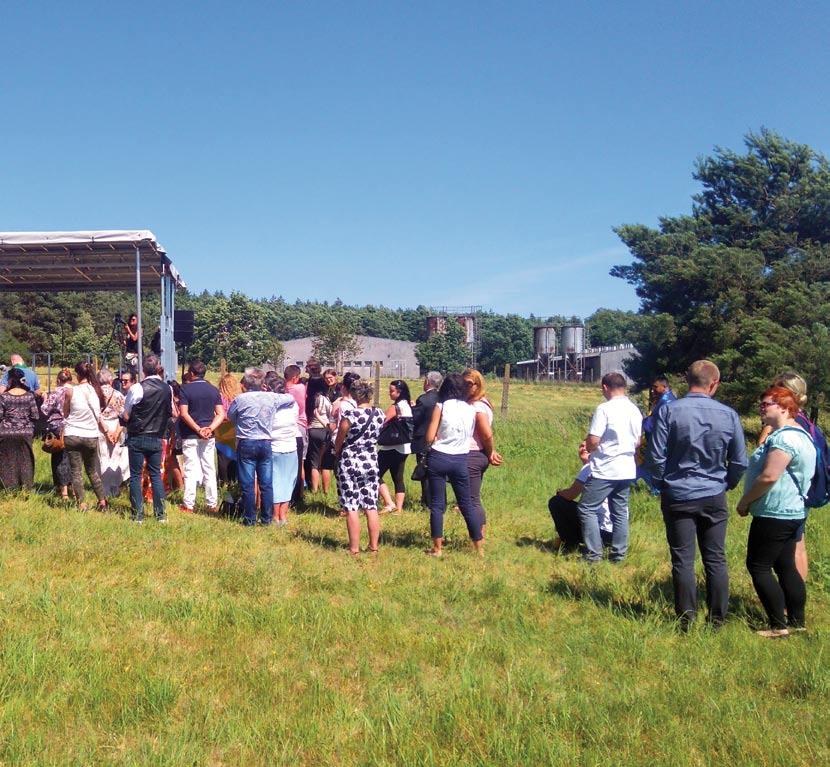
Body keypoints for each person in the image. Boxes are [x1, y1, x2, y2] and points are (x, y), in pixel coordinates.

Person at [646, 360, 747, 628]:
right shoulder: (729, 415)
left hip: (678, 493)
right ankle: (717, 620)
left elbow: (655, 457)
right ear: (714, 383)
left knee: (682, 559)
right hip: (713, 493)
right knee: (715, 557)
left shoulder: (669, 411)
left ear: (686, 380)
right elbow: (739, 462)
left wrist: (662, 483)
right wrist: (727, 483)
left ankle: (686, 619)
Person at [737, 387, 816, 637]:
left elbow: (769, 476)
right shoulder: (800, 435)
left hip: (775, 512)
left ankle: (778, 626)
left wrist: (745, 501)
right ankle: (797, 622)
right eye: (761, 404)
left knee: (758, 566)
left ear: (784, 406)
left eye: (766, 404)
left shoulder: (784, 439)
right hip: (792, 512)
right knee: (785, 566)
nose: (761, 408)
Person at [577, 372, 642, 563]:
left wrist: (587, 448)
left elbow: (594, 440)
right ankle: (618, 555)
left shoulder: (604, 409)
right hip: (627, 468)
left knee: (586, 508)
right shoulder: (634, 410)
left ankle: (593, 555)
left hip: (606, 468)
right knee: (620, 511)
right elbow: (637, 441)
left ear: (605, 387)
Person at [758, 373, 814, 581]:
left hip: (785, 499)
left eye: (777, 390)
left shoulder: (788, 422)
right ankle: (794, 600)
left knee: (788, 552)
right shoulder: (804, 420)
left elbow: (769, 466)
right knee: (798, 545)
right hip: (800, 493)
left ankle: (788, 602)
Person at [424, 373, 484, 557]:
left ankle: (437, 548)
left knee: (437, 504)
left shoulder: (441, 406)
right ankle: (479, 548)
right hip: (460, 460)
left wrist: (435, 440)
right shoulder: (471, 410)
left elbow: (429, 436)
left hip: (439, 457)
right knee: (466, 504)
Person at [227, 368, 295, 526]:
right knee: (266, 483)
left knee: (247, 483)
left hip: (246, 441)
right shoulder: (271, 398)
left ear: (246, 383)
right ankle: (266, 518)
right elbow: (290, 398)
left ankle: (249, 518)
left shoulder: (240, 399)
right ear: (262, 383)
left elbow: (231, 416)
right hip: (265, 442)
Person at [334, 380, 385, 554]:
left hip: (350, 461)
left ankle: (354, 548)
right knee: (371, 504)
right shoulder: (379, 413)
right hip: (371, 460)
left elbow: (340, 436)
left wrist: (337, 450)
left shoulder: (351, 414)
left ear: (355, 395)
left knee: (351, 505)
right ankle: (373, 546)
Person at [122, 355, 173, 523]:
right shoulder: (168, 389)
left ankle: (138, 515)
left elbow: (127, 414)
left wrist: (120, 416)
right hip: (157, 436)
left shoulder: (137, 388)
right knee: (156, 476)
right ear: (159, 369)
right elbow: (170, 411)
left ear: (143, 370)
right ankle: (161, 515)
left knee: (136, 476)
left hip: (137, 436)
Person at [178, 360, 225, 514]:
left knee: (191, 468)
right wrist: (210, 428)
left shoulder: (185, 389)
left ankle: (189, 504)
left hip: (191, 433)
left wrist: (198, 429)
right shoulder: (213, 390)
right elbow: (221, 414)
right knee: (209, 468)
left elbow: (183, 413)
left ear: (191, 373)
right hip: (208, 434)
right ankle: (212, 503)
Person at [548, 441, 614, 551]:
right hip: (614, 534)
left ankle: (570, 543)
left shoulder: (590, 467)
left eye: (587, 446)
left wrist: (559, 493)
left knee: (556, 502)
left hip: (600, 532)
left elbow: (571, 495)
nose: (583, 448)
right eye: (581, 446)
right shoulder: (607, 467)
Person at [63, 361, 108, 511]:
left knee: (76, 471)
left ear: (77, 375)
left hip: (73, 434)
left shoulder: (71, 391)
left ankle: (82, 504)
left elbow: (65, 413)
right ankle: (102, 501)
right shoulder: (96, 392)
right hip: (91, 435)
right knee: (92, 470)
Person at [463, 369, 503, 535]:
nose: (465, 387)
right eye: (462, 383)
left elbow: (486, 433)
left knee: (472, 500)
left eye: (469, 384)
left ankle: (479, 538)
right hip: (475, 454)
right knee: (470, 499)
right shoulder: (479, 402)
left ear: (478, 385)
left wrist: (491, 451)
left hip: (473, 454)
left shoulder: (478, 406)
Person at [0, 367, 41, 489]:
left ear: (10, 380)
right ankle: (26, 486)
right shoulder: (29, 396)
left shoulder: (4, 397)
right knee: (26, 460)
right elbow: (35, 416)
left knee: (7, 459)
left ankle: (8, 486)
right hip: (25, 432)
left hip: (6, 432)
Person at [378, 379, 414, 514]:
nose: (389, 393)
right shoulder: (408, 405)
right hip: (404, 447)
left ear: (399, 392)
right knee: (398, 477)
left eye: (392, 391)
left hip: (391, 446)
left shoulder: (396, 407)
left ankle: (389, 503)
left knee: (373, 473)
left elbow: (381, 421)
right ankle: (399, 509)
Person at [268, 375, 300, 526]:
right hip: (290, 447)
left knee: (275, 482)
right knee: (288, 482)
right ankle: (283, 515)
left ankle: (275, 516)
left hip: (274, 447)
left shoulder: (269, 406)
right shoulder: (293, 405)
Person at [638, 375, 677, 491]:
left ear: (664, 387)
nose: (653, 390)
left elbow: (653, 423)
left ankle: (657, 490)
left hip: (659, 441)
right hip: (662, 441)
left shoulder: (666, 402)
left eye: (656, 387)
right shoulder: (669, 399)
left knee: (651, 465)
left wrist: (643, 423)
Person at [41, 367, 74, 499]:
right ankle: (74, 489)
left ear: (58, 380)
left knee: (59, 458)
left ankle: (63, 490)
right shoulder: (74, 392)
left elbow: (44, 410)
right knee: (72, 458)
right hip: (72, 426)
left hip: (57, 428)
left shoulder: (55, 393)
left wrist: (44, 398)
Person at [412, 371, 442, 508]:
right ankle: (435, 499)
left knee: (424, 470)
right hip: (439, 438)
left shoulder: (423, 399)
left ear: (427, 382)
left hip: (423, 439)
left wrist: (412, 408)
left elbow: (415, 418)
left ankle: (427, 501)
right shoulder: (443, 398)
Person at [97, 367, 128, 497]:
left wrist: (105, 431)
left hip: (100, 427)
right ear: (110, 381)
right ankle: (115, 488)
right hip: (116, 425)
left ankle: (104, 489)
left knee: (102, 458)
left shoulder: (96, 394)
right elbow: (125, 416)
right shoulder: (118, 395)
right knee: (115, 457)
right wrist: (116, 432)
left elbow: (96, 415)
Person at [306, 375, 334, 494]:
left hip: (312, 429)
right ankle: (326, 491)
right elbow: (330, 414)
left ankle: (314, 490)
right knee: (325, 463)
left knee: (314, 462)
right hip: (323, 429)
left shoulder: (309, 398)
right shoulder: (324, 398)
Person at [284, 365, 308, 507]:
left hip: (285, 427)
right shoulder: (300, 388)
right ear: (295, 377)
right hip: (300, 425)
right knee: (300, 463)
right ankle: (298, 495)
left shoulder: (282, 389)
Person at [216, 372, 242, 484]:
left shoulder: (219, 397)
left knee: (222, 458)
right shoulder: (240, 398)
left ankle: (224, 482)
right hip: (236, 430)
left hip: (222, 431)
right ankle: (234, 481)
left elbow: (218, 414)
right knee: (235, 458)